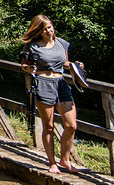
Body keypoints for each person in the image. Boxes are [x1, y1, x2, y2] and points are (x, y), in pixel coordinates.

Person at [21, 15, 80, 174]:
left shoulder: (61, 43)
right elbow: (24, 64)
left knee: (71, 125)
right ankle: (52, 162)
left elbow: (64, 63)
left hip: (61, 84)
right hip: (44, 83)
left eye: (50, 27)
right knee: (49, 126)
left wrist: (75, 66)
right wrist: (28, 69)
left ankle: (65, 159)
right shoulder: (32, 46)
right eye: (45, 29)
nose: (49, 30)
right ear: (38, 31)